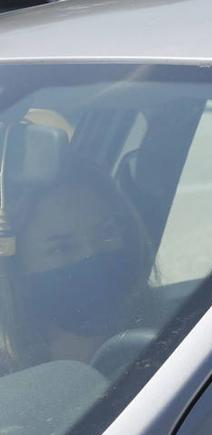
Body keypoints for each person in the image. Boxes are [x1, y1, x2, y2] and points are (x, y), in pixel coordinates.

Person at [0, 147, 152, 374]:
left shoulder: (180, 340)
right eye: (62, 248)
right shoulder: (11, 387)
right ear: (18, 271)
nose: (91, 256)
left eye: (106, 234)